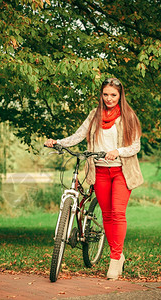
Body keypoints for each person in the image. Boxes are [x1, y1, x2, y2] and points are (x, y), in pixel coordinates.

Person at [44, 77, 143, 280]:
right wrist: (58, 142)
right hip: (99, 171)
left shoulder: (128, 116)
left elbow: (135, 146)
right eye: (105, 94)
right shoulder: (94, 115)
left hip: (121, 171)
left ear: (120, 95)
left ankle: (115, 259)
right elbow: (79, 135)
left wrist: (118, 151)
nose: (109, 98)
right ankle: (117, 254)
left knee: (117, 213)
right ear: (101, 95)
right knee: (107, 215)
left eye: (113, 95)